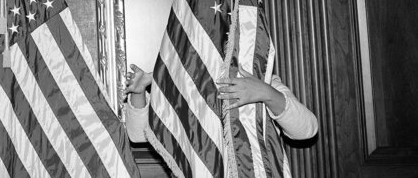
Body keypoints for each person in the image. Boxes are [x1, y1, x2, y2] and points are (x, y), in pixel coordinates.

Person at [124, 63, 318, 143]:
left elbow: (307, 129)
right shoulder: (186, 80)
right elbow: (138, 135)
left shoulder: (254, 76)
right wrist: (139, 93)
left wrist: (266, 92)